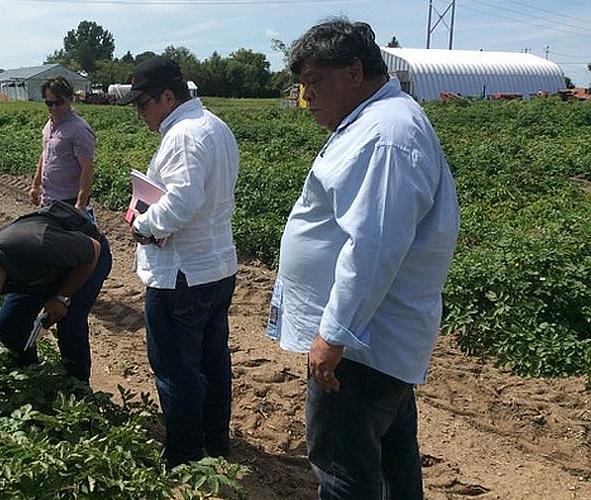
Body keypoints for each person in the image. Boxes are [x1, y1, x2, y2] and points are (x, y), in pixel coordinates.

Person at [266, 18, 460, 499]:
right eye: (304, 85)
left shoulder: (385, 135)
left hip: (359, 347)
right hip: (372, 340)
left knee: (343, 472)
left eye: (316, 83)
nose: (308, 98)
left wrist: (334, 335)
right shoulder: (375, 122)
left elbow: (372, 247)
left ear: (354, 71)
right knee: (393, 463)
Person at [117, 56, 239, 467]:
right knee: (212, 359)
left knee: (175, 368)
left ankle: (185, 454)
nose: (140, 114)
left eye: (143, 104)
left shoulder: (184, 135)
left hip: (182, 273)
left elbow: (183, 200)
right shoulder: (214, 126)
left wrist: (145, 225)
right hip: (216, 267)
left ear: (167, 96)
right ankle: (215, 440)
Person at [0, 202, 112, 384]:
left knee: (69, 325)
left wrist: (62, 296)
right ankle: (32, 375)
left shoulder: (37, 244)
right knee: (9, 325)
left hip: (87, 259)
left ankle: (78, 388)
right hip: (40, 269)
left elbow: (93, 249)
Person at [30, 76, 97, 220]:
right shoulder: (50, 124)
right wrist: (36, 185)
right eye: (49, 103)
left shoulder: (79, 129)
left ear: (69, 99)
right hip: (48, 199)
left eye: (58, 103)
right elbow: (45, 155)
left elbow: (87, 168)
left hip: (68, 202)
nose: (53, 108)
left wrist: (81, 203)